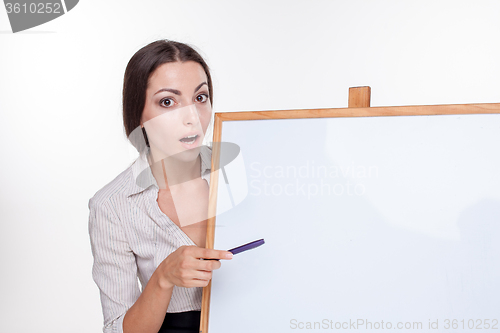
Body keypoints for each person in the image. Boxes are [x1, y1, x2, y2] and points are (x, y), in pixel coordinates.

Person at [88, 40, 233, 333]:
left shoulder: (242, 172)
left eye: (201, 97)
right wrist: (163, 276)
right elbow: (117, 329)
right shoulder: (113, 205)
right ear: (138, 114)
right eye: (168, 102)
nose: (192, 117)